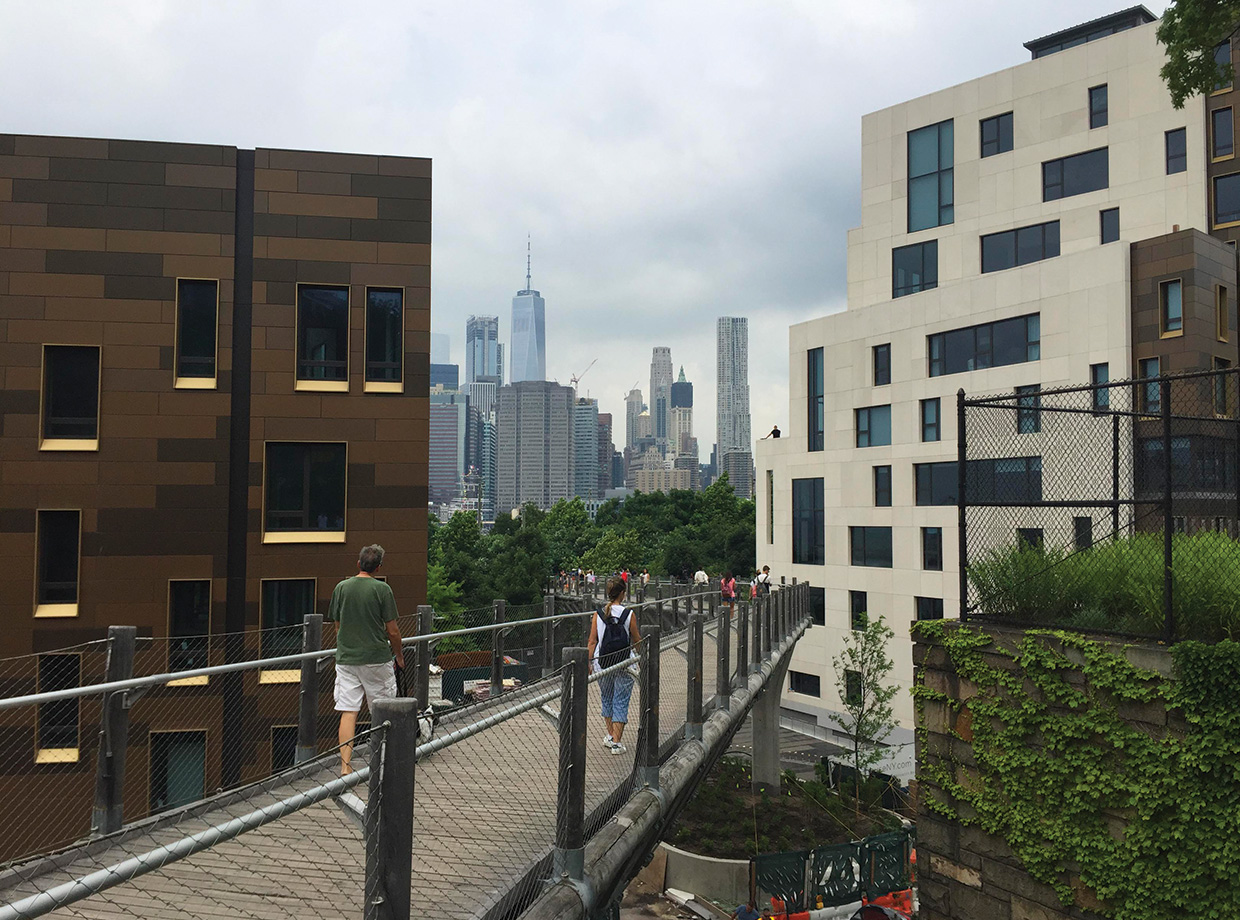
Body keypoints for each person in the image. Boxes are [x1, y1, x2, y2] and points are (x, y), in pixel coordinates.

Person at [327, 544, 403, 775]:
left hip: (347, 659)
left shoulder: (341, 588)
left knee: (348, 710)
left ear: (358, 564)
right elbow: (393, 631)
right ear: (379, 567)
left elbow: (337, 625)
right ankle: (381, 761)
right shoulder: (382, 590)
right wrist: (398, 655)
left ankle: (345, 766)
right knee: (382, 711)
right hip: (376, 658)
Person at [587, 577, 641, 754]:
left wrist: (589, 662)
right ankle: (617, 743)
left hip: (602, 663)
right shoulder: (629, 614)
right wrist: (641, 657)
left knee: (607, 697)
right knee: (621, 700)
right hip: (624, 663)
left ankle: (611, 736)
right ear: (623, 593)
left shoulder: (598, 614)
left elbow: (592, 641)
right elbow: (636, 640)